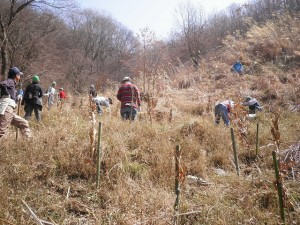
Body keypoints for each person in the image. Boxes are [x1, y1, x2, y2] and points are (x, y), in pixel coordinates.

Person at [0, 67, 31, 139]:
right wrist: (7, 94)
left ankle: (28, 145)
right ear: (15, 75)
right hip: (7, 108)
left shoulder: (12, 84)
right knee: (1, 131)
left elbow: (11, 96)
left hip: (10, 110)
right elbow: (2, 84)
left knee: (24, 123)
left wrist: (16, 97)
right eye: (19, 75)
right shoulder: (10, 81)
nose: (20, 77)